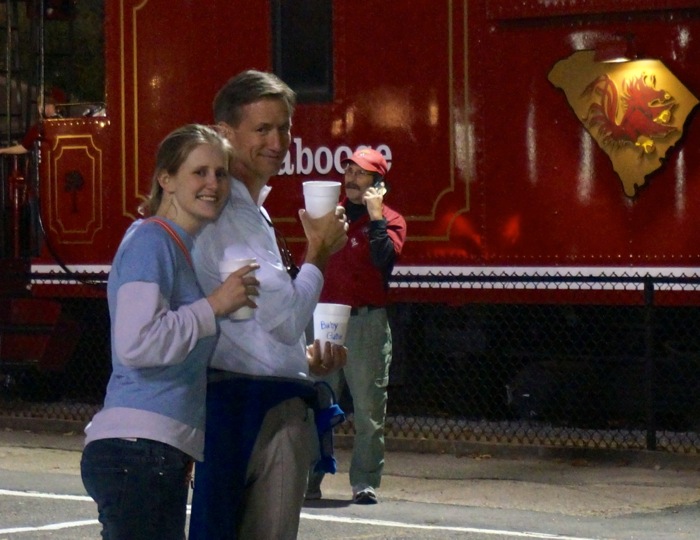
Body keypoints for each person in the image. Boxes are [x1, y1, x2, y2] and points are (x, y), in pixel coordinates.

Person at [188, 70, 349, 540]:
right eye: (262, 129)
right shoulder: (230, 212)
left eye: (284, 128)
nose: (278, 141)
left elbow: (255, 327)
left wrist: (302, 360)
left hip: (246, 402)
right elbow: (285, 318)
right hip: (253, 409)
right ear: (225, 133)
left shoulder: (248, 210)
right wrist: (318, 250)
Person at [80, 124, 260, 540]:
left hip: (150, 452)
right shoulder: (151, 241)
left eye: (221, 173)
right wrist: (214, 305)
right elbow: (136, 343)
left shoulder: (177, 247)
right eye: (200, 172)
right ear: (166, 179)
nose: (213, 183)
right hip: (138, 451)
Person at [306, 147, 407, 505]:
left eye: (361, 173)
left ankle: (364, 481)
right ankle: (309, 478)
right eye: (348, 170)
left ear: (378, 183)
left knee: (368, 409)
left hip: (366, 322)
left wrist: (376, 216)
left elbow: (384, 260)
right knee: (316, 402)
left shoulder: (391, 221)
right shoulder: (332, 218)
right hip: (323, 319)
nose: (350, 178)